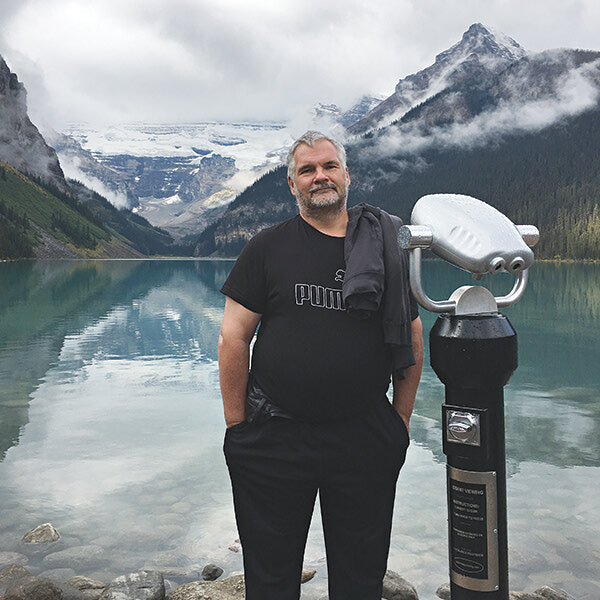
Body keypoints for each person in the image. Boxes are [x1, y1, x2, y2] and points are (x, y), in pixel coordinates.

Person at [218, 130, 424, 600]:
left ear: (346, 175)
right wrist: (237, 427)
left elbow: (411, 334)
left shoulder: (384, 245)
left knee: (361, 579)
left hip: (364, 435)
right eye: (307, 170)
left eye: (329, 166)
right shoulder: (267, 247)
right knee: (270, 580)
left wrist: (401, 419)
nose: (320, 177)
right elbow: (233, 338)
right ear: (292, 184)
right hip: (274, 435)